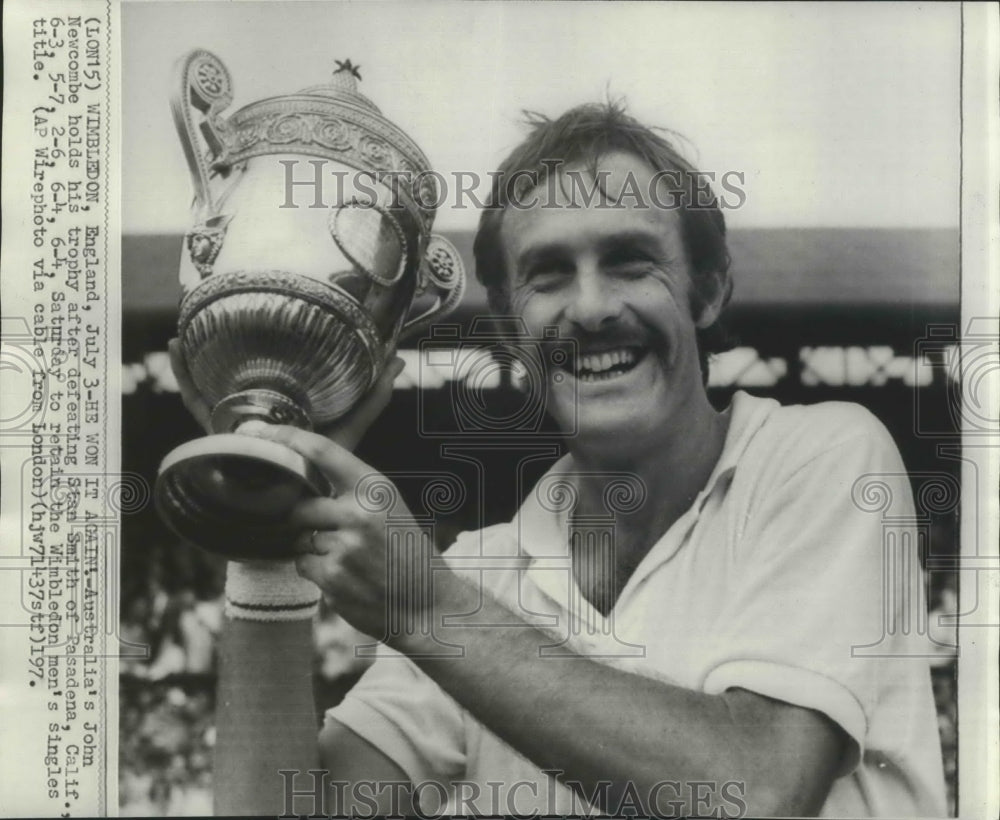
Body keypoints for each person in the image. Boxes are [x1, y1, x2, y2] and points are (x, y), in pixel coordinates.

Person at [172, 102, 946, 817]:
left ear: (707, 293)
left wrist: (424, 611)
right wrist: (266, 534)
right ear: (511, 328)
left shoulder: (823, 457)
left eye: (630, 261)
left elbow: (759, 790)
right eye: (548, 276)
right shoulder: (482, 574)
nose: (590, 307)